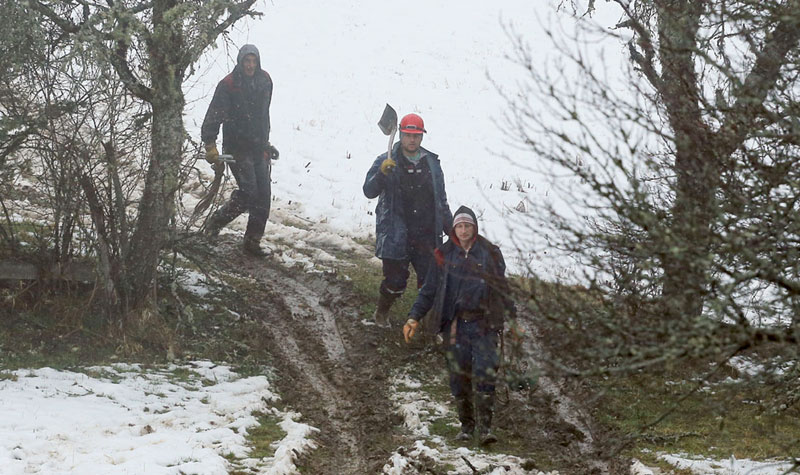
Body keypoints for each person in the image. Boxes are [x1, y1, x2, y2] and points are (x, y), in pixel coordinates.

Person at [403, 206, 515, 445]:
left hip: (484, 323)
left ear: (475, 227)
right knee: (458, 376)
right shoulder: (443, 254)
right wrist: (414, 317)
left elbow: (502, 288)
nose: (464, 230)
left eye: (468, 226)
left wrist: (512, 319)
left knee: (485, 372)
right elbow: (429, 290)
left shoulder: (490, 253)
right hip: (455, 325)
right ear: (454, 229)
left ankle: (485, 430)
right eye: (459, 226)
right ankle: (466, 428)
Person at [363, 113, 453, 326]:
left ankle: (430, 326)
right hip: (396, 232)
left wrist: (453, 231)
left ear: (422, 137)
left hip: (426, 233)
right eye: (408, 135)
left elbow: (440, 200)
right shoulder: (386, 160)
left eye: (416, 136)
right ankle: (381, 313)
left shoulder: (432, 163)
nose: (412, 140)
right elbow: (369, 191)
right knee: (395, 282)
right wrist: (382, 175)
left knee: (431, 283)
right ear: (400, 135)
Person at [201, 44, 279, 256]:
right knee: (249, 193)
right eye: (247, 61)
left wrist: (266, 142)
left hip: (258, 147)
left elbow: (263, 115)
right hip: (236, 148)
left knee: (263, 195)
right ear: (240, 61)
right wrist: (210, 145)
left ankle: (252, 241)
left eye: (253, 61)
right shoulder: (229, 84)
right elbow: (214, 115)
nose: (250, 65)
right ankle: (215, 223)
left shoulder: (265, 81)